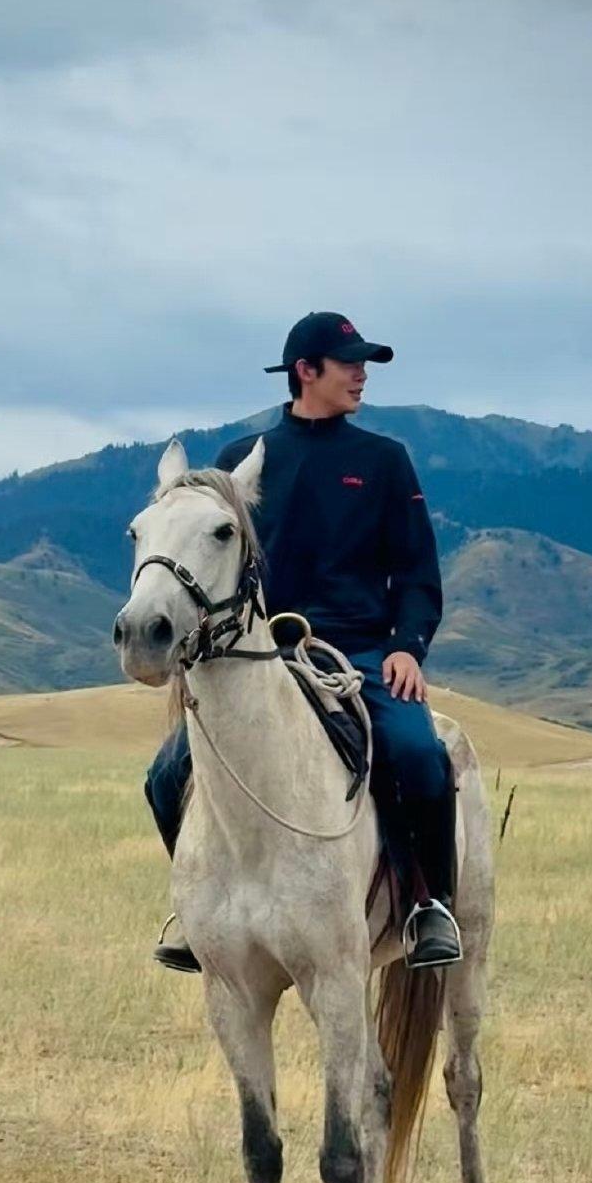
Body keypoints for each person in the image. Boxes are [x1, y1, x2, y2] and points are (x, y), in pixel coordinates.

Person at [145, 309, 462, 974]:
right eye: (349, 364)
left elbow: (417, 571)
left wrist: (407, 646)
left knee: (418, 755)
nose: (361, 376)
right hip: (263, 652)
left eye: (365, 365)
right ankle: (198, 914)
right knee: (164, 775)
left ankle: (429, 906)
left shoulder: (383, 460)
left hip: (362, 651)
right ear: (305, 372)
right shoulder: (240, 463)